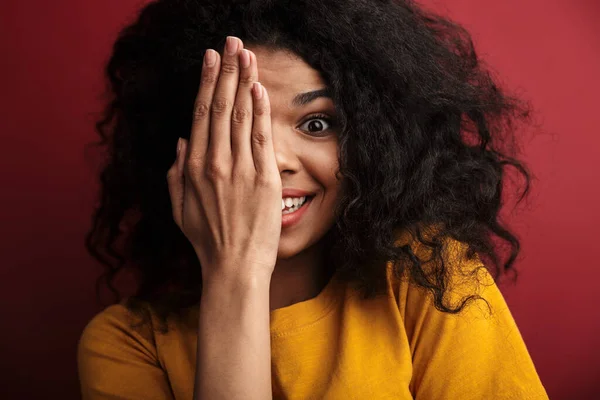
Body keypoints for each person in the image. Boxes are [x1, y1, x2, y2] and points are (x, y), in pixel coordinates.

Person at [77, 0, 549, 398]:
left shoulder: (431, 278)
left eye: (317, 124)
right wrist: (234, 271)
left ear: (373, 142)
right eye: (238, 125)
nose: (274, 159)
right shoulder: (127, 344)